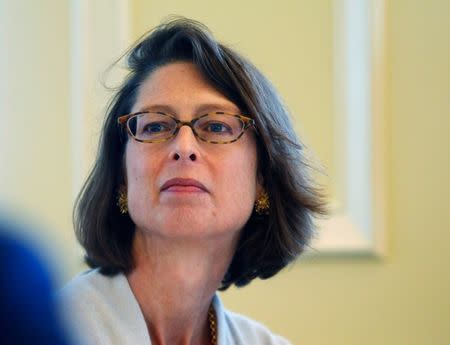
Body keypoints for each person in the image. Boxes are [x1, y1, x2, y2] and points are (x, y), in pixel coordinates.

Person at [60, 17, 327, 345]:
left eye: (216, 127)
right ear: (122, 178)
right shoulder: (44, 329)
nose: (183, 148)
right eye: (155, 126)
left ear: (262, 180)